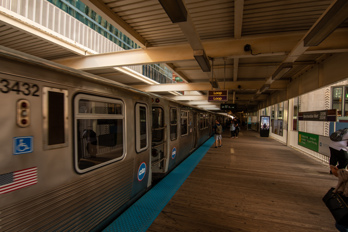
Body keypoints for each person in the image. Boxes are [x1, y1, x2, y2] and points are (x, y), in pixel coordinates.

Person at [329, 130, 348, 232]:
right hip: (340, 147)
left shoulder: (345, 130)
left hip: (333, 146)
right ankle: (339, 169)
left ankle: (334, 169)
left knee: (334, 158)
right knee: (344, 159)